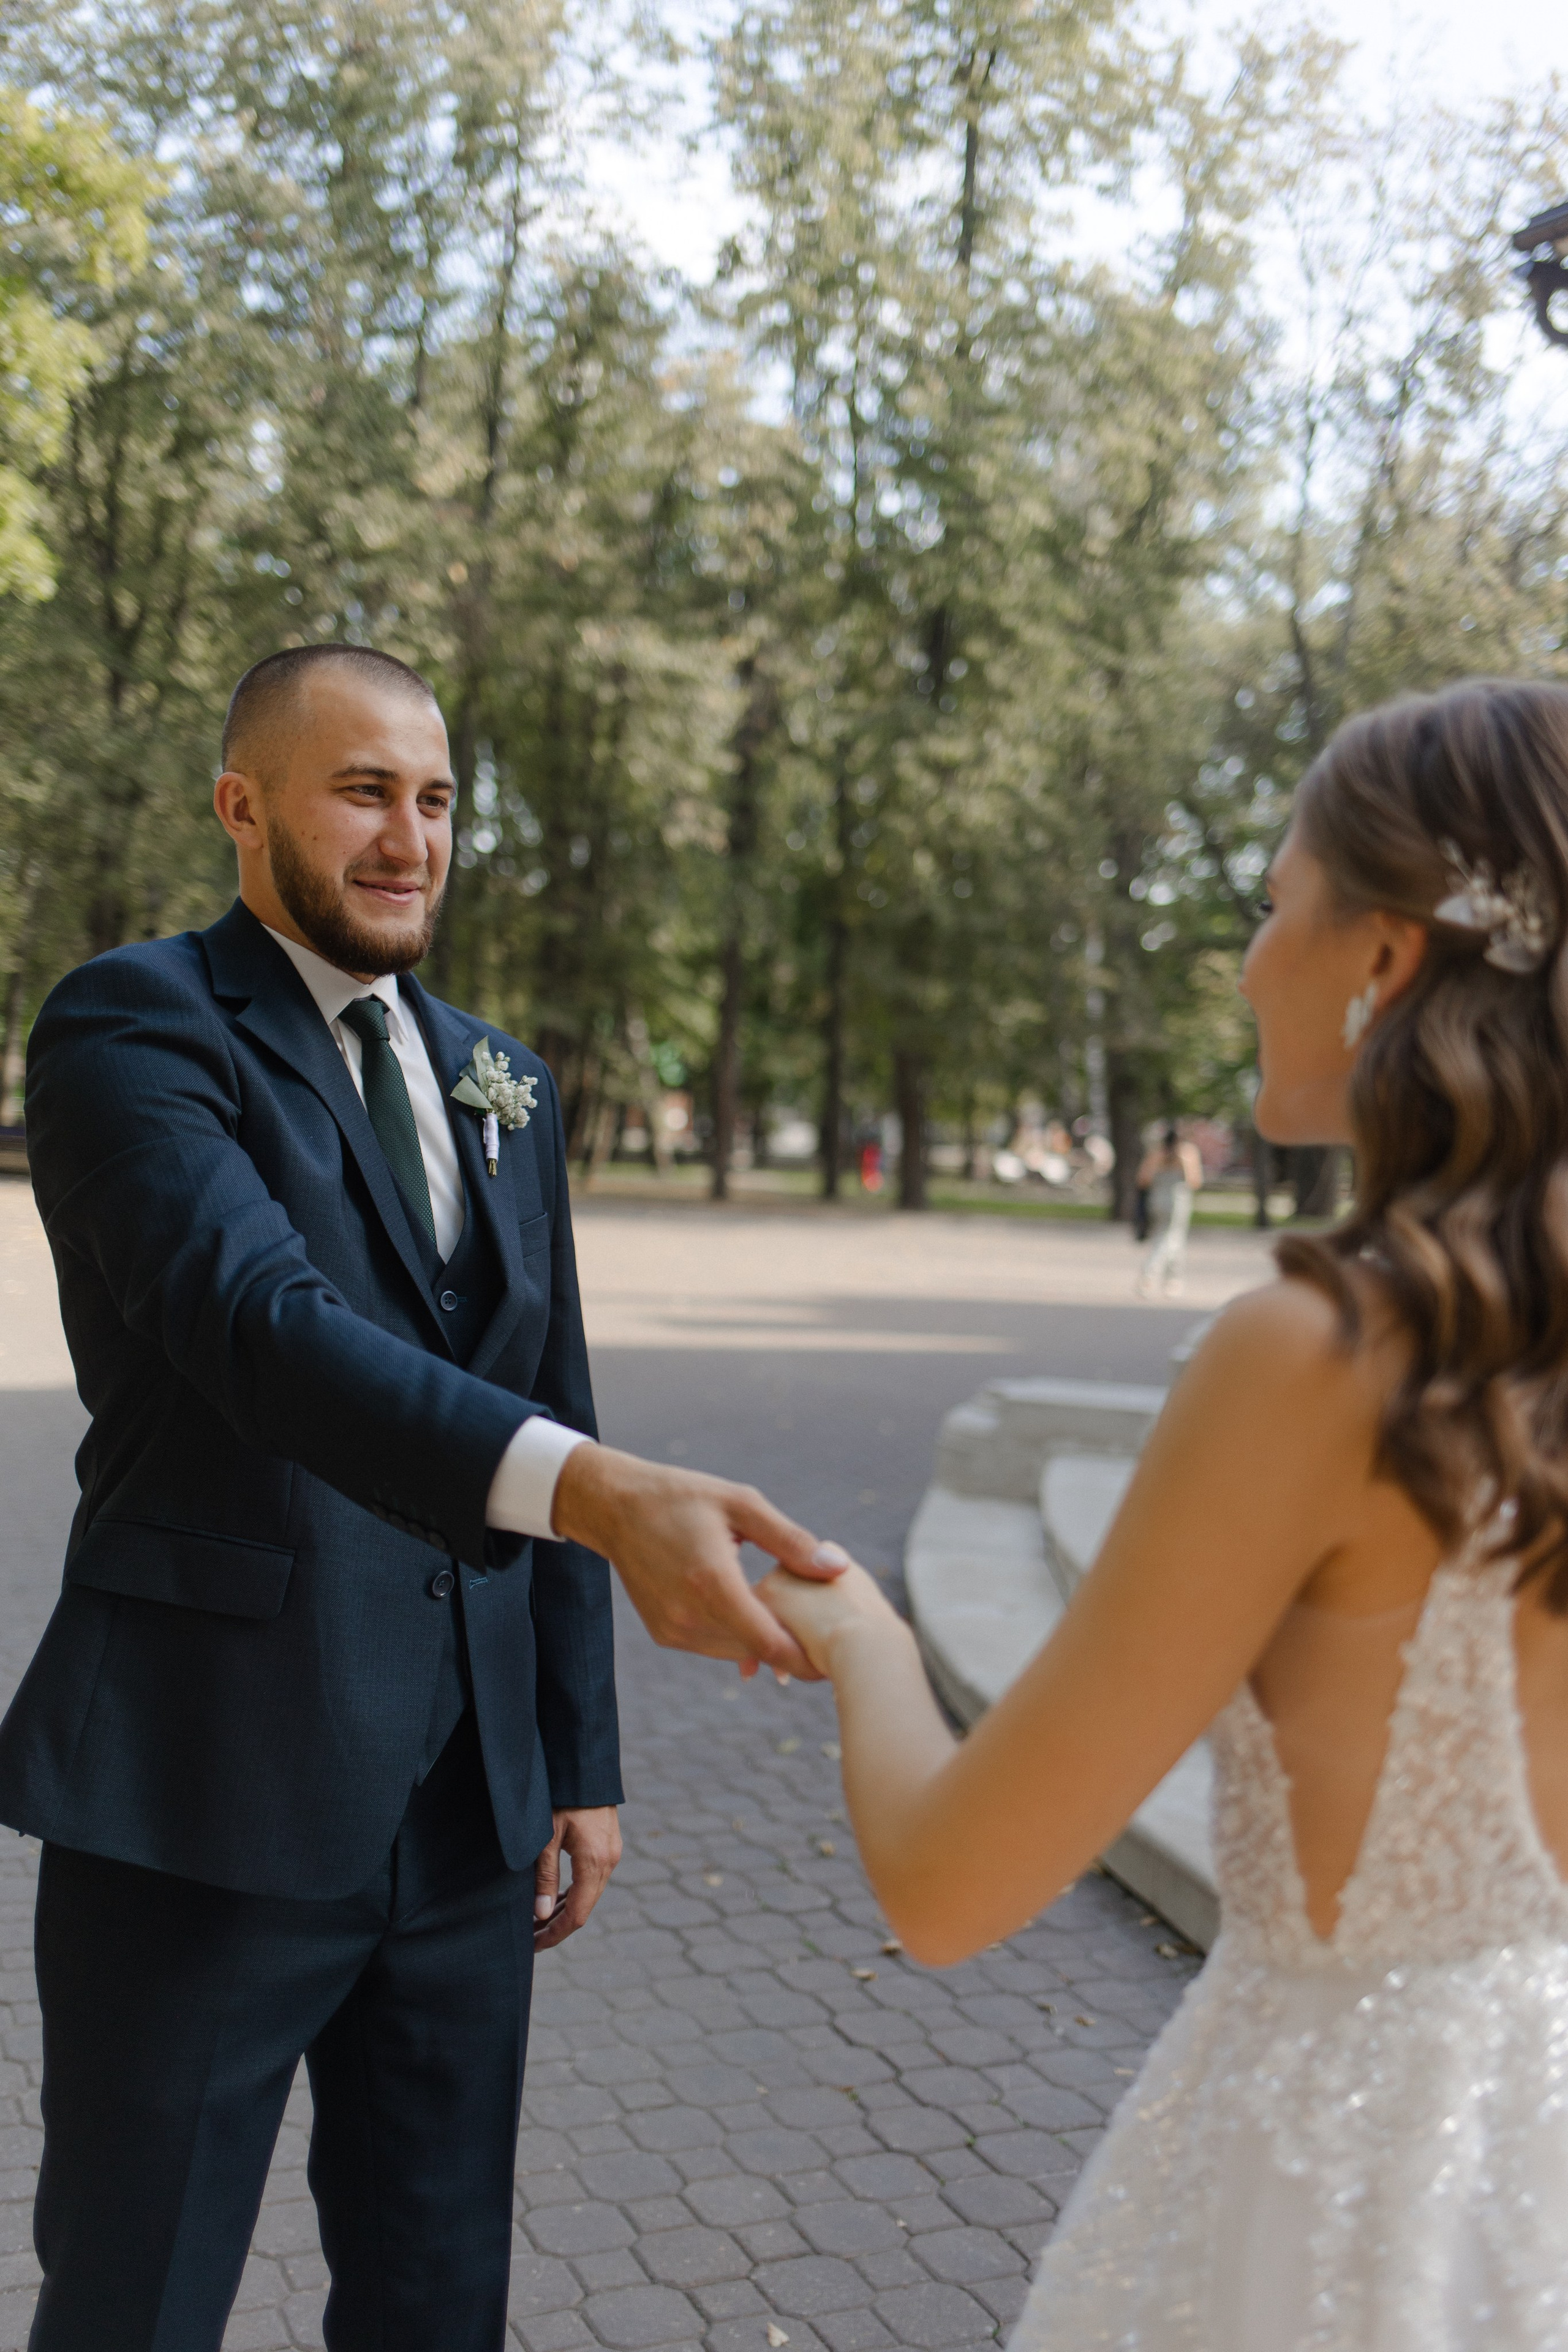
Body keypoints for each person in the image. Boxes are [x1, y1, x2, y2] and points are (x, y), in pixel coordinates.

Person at [3, 643, 840, 2352]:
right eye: (363, 792)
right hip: (207, 1786)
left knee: (440, 2295)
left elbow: (556, 1395)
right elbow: (262, 1328)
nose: (411, 839)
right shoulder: (137, 1024)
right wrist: (596, 1494)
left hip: (467, 1814)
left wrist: (576, 1756)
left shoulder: (497, 1076)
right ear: (243, 807)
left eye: (439, 800)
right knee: (137, 2301)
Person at [761, 677, 1568, 2348]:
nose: (1249, 962)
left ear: (1381, 957)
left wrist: (854, 1630)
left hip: (1350, 2189)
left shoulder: (1317, 1353)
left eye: (1273, 905)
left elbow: (947, 1884)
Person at [1135, 1121, 1204, 1296]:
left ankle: (1173, 1279)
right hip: (1177, 1200)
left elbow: (1143, 1180)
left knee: (1174, 1238)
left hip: (1158, 1199)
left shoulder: (1156, 1153)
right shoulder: (1188, 1153)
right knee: (1168, 1238)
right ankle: (1150, 1274)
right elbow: (1195, 1182)